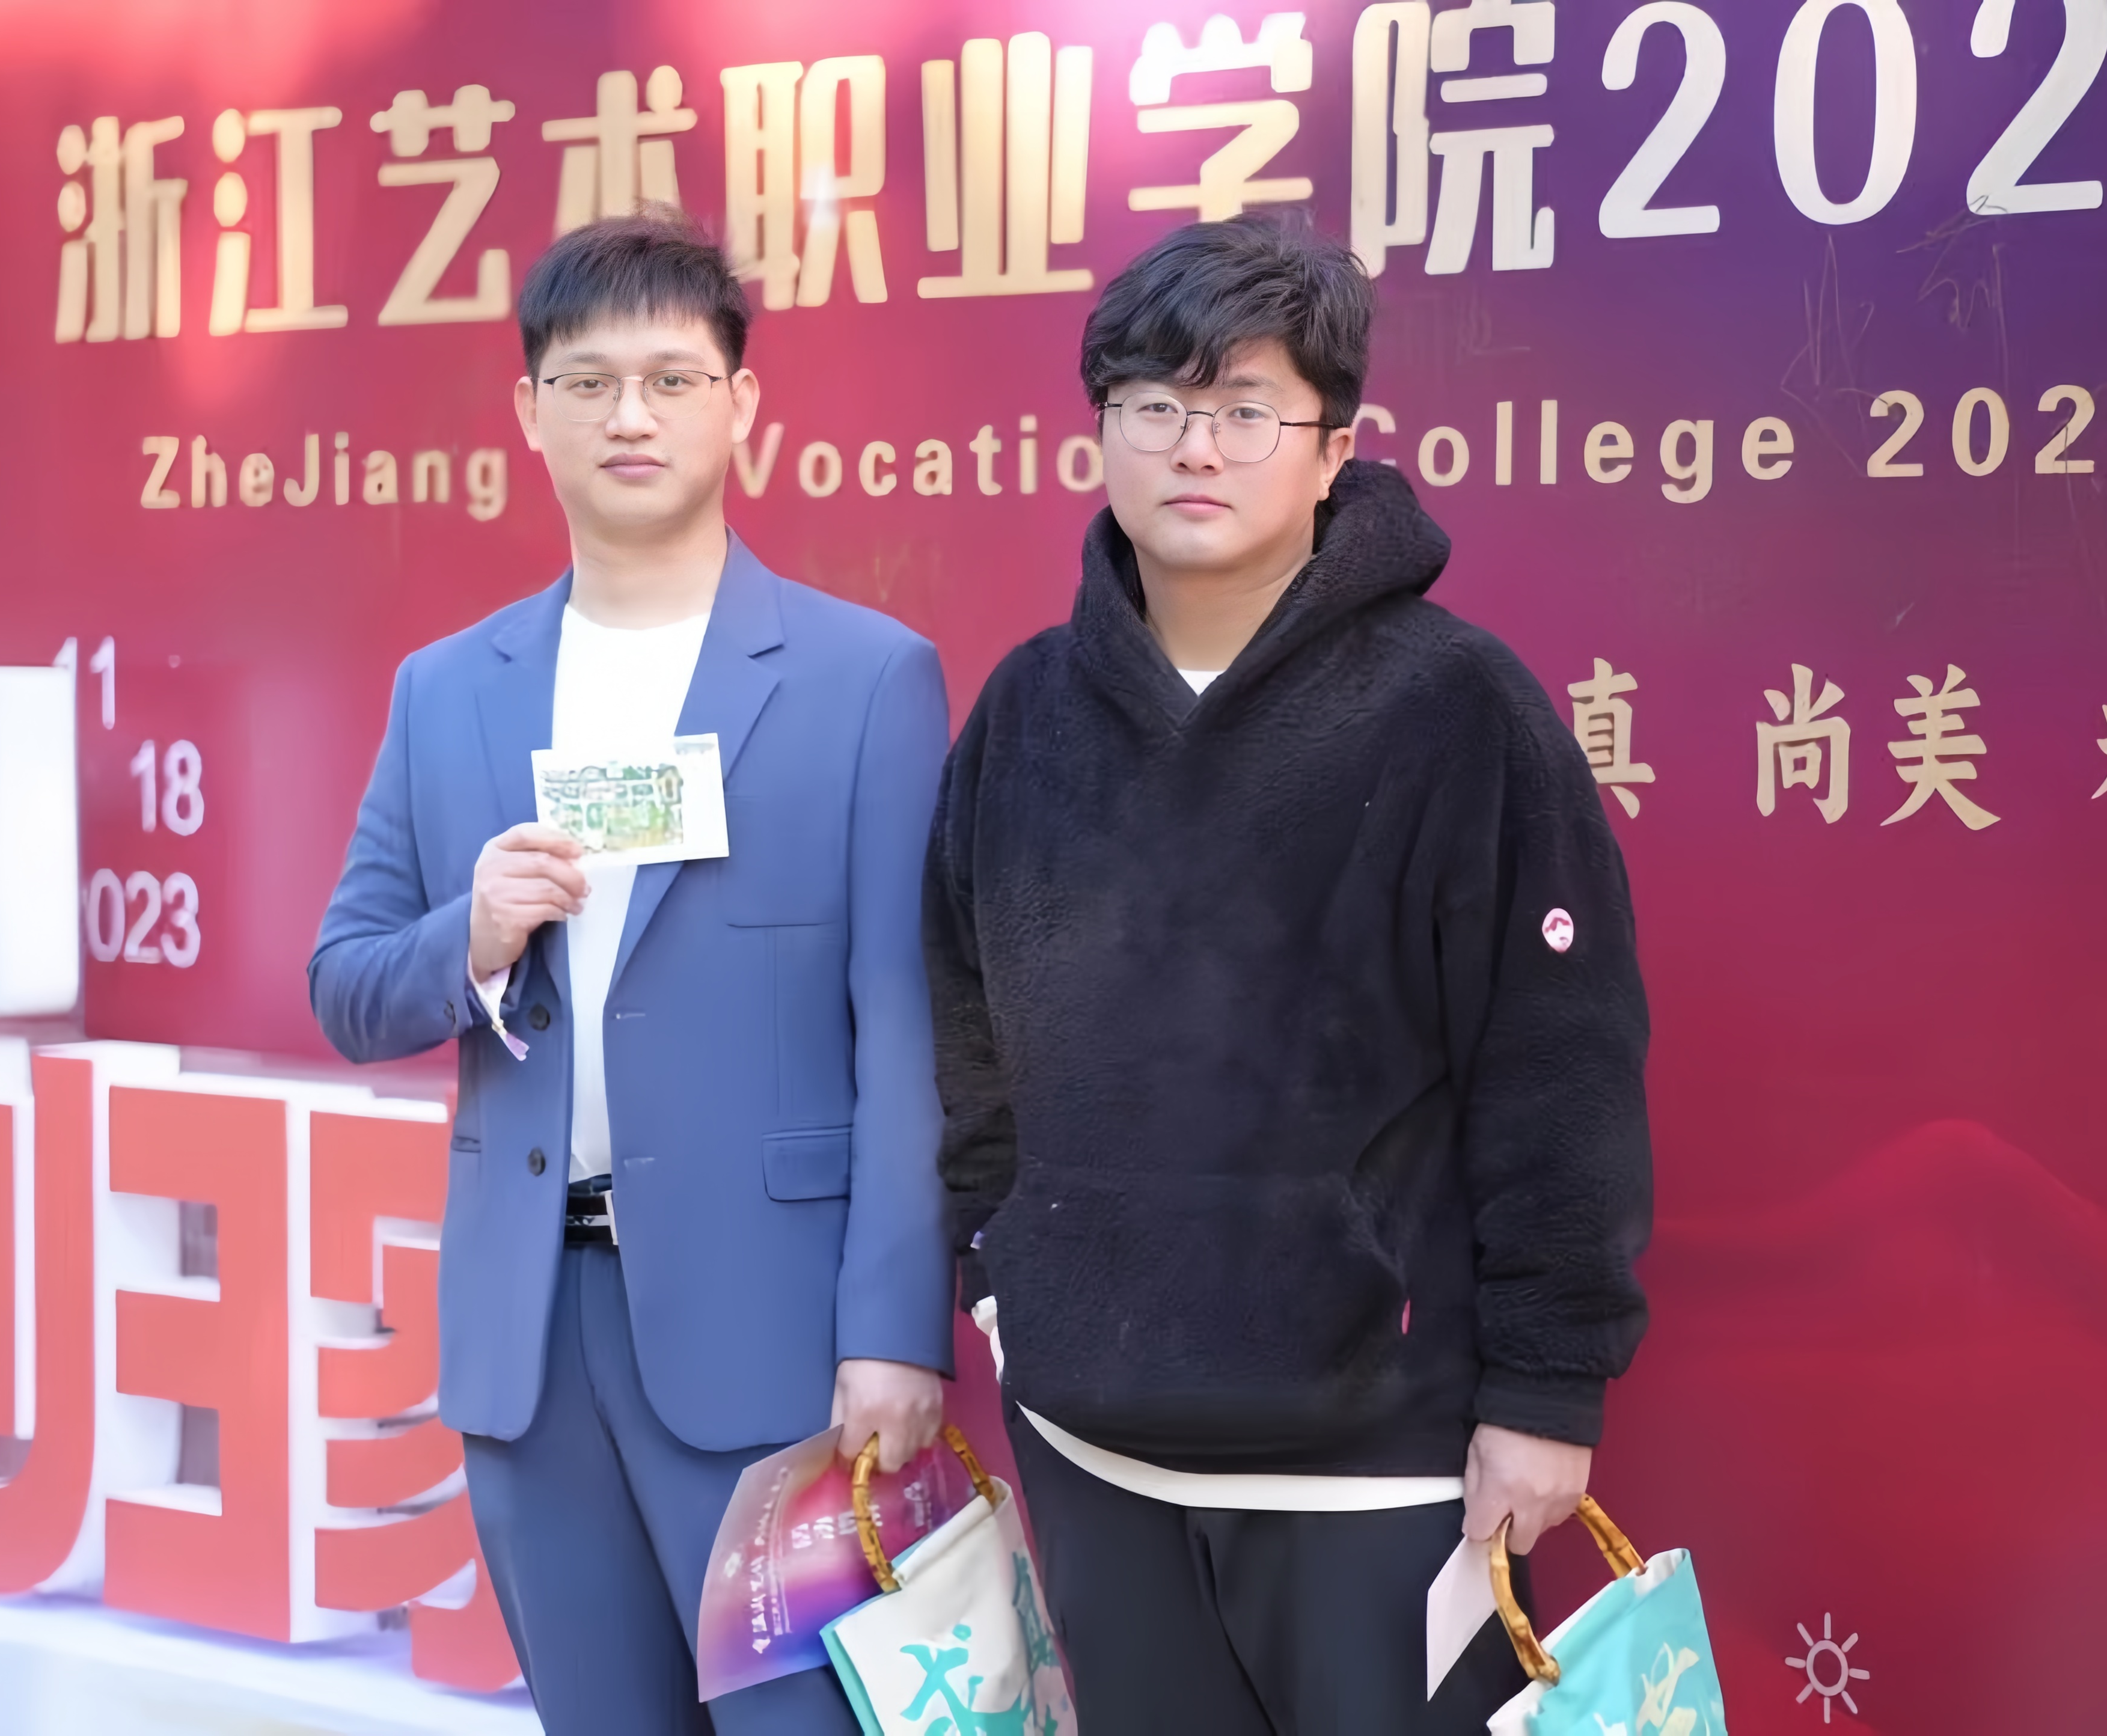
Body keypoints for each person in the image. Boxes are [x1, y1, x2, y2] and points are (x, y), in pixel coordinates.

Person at [925, 214, 1654, 1733]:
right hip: (1094, 1446)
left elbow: (1559, 1069)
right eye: (1155, 405)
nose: (1197, 447)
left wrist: (1547, 1389)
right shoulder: (1027, 713)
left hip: (1376, 1465)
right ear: (1103, 432)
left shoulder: (1458, 708)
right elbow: (967, 1022)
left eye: (1247, 409)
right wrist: (999, 1275)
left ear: (1332, 450)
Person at [311, 210, 953, 1735]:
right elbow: (348, 984)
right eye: (588, 383)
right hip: (533, 1343)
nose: (631, 416)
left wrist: (894, 1328)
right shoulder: (449, 689)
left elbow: (912, 1029)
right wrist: (469, 936)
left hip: (778, 1336)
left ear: (742, 404)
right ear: (529, 414)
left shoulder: (866, 680)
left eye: (673, 379)